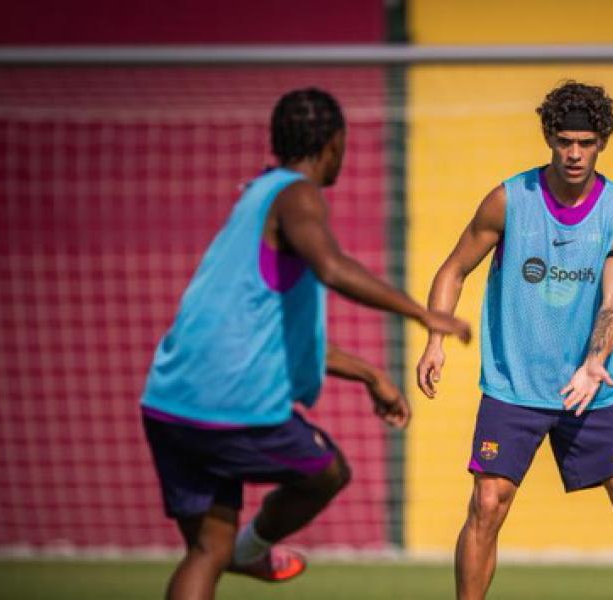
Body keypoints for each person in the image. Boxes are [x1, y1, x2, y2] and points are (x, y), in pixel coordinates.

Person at [140, 87, 471, 600]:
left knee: (207, 552)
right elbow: (333, 267)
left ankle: (239, 551)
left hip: (167, 404)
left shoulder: (255, 196)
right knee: (326, 471)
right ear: (334, 144)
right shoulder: (298, 194)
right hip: (229, 409)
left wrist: (369, 373)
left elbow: (268, 336)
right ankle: (253, 549)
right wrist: (422, 312)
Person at [416, 80, 613, 599]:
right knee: (486, 504)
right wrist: (435, 339)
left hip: (592, 385)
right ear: (549, 137)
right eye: (564, 140)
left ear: (602, 142)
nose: (574, 153)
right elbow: (453, 270)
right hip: (513, 385)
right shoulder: (508, 200)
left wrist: (595, 361)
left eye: (585, 142)